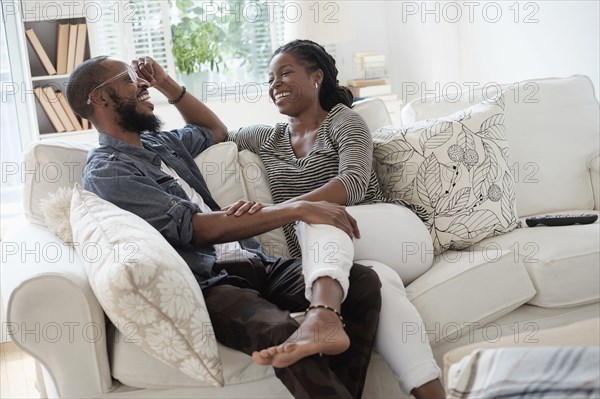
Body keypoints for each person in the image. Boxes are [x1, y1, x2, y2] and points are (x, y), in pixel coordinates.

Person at [66, 55, 382, 399]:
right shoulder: (108, 171)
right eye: (129, 80)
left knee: (362, 282)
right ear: (99, 98)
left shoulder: (160, 144)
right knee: (279, 330)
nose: (142, 85)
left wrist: (167, 84)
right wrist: (297, 209)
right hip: (210, 281)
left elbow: (215, 131)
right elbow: (198, 230)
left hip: (255, 262)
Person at [223, 40, 446, 398]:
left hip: (394, 234)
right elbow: (214, 133)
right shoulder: (267, 139)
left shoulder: (344, 121)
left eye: (285, 73)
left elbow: (353, 182)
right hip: (345, 260)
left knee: (315, 217)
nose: (275, 84)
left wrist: (288, 209)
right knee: (379, 286)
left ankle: (323, 315)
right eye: (269, 79)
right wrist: (171, 89)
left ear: (316, 77)